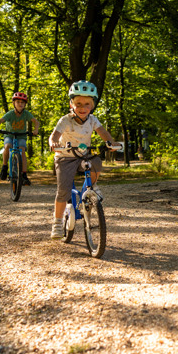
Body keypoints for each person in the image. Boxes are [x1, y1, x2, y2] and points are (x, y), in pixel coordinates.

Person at [48, 80, 120, 239]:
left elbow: (103, 132)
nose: (82, 107)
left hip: (83, 154)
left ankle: (92, 186)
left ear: (92, 106)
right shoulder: (65, 120)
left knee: (96, 161)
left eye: (87, 104)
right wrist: (53, 143)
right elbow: (54, 135)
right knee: (63, 190)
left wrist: (111, 142)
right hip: (65, 157)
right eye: (78, 103)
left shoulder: (93, 120)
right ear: (71, 103)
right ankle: (57, 222)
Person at [0, 91, 39, 185]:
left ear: (25, 104)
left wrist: (36, 129)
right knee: (8, 146)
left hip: (21, 136)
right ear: (14, 103)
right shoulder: (10, 114)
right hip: (9, 135)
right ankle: (4, 166)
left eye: (22, 103)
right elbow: (0, 120)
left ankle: (24, 175)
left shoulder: (26, 114)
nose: (20, 104)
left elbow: (35, 121)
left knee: (21, 151)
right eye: (18, 102)